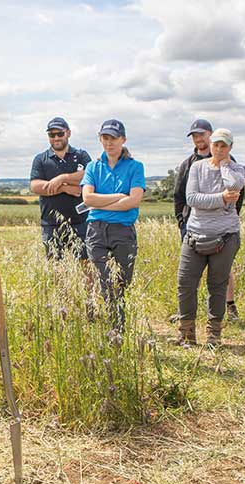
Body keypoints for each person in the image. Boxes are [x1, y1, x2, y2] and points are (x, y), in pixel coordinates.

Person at [174, 128, 244, 347]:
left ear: (230, 147)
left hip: (225, 235)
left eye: (224, 146)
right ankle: (186, 334)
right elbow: (193, 199)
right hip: (195, 233)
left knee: (217, 285)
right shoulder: (196, 167)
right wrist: (222, 198)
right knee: (185, 283)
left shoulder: (237, 169)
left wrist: (224, 165)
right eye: (216, 145)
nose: (219, 149)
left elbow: (233, 185)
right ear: (210, 145)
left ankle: (214, 335)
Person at [81, 119, 145, 332]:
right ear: (100, 139)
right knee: (105, 280)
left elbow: (134, 201)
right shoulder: (93, 166)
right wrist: (118, 197)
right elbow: (87, 199)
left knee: (122, 281)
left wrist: (104, 202)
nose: (109, 143)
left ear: (123, 140)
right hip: (96, 230)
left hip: (123, 231)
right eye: (105, 138)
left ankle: (118, 321)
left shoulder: (135, 167)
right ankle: (116, 327)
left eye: (114, 138)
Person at [30, 117, 92, 260]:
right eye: (52, 135)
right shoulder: (41, 159)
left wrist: (62, 178)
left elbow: (89, 175)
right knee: (57, 270)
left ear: (68, 133)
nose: (56, 138)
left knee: (87, 266)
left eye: (60, 134)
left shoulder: (81, 155)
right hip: (51, 224)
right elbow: (35, 186)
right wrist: (64, 189)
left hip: (81, 222)